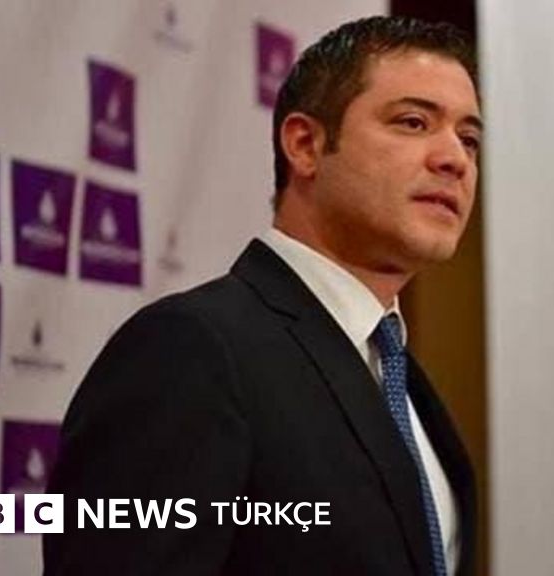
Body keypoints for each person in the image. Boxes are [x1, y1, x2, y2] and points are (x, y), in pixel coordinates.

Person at [44, 15, 481, 576]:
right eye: (413, 122)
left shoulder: (396, 372)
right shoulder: (189, 352)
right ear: (305, 145)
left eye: (469, 139)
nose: (455, 159)